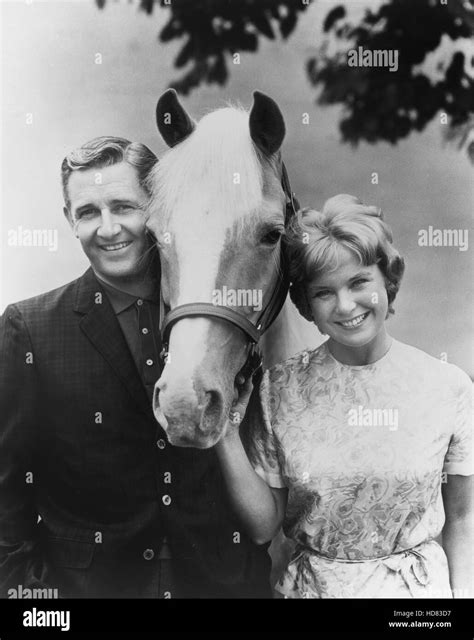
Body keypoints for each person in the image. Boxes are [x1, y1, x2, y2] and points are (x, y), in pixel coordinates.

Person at [0, 136, 271, 599]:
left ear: (157, 210)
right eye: (87, 212)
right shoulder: (29, 328)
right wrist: (31, 602)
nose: (108, 229)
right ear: (70, 221)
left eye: (124, 207)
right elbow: (6, 495)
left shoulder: (224, 316)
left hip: (222, 586)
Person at [216, 194, 473, 598]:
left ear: (386, 280)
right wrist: (226, 430)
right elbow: (264, 526)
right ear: (307, 305)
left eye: (358, 283)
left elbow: (461, 517)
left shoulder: (448, 386)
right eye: (323, 292)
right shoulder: (277, 389)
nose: (345, 305)